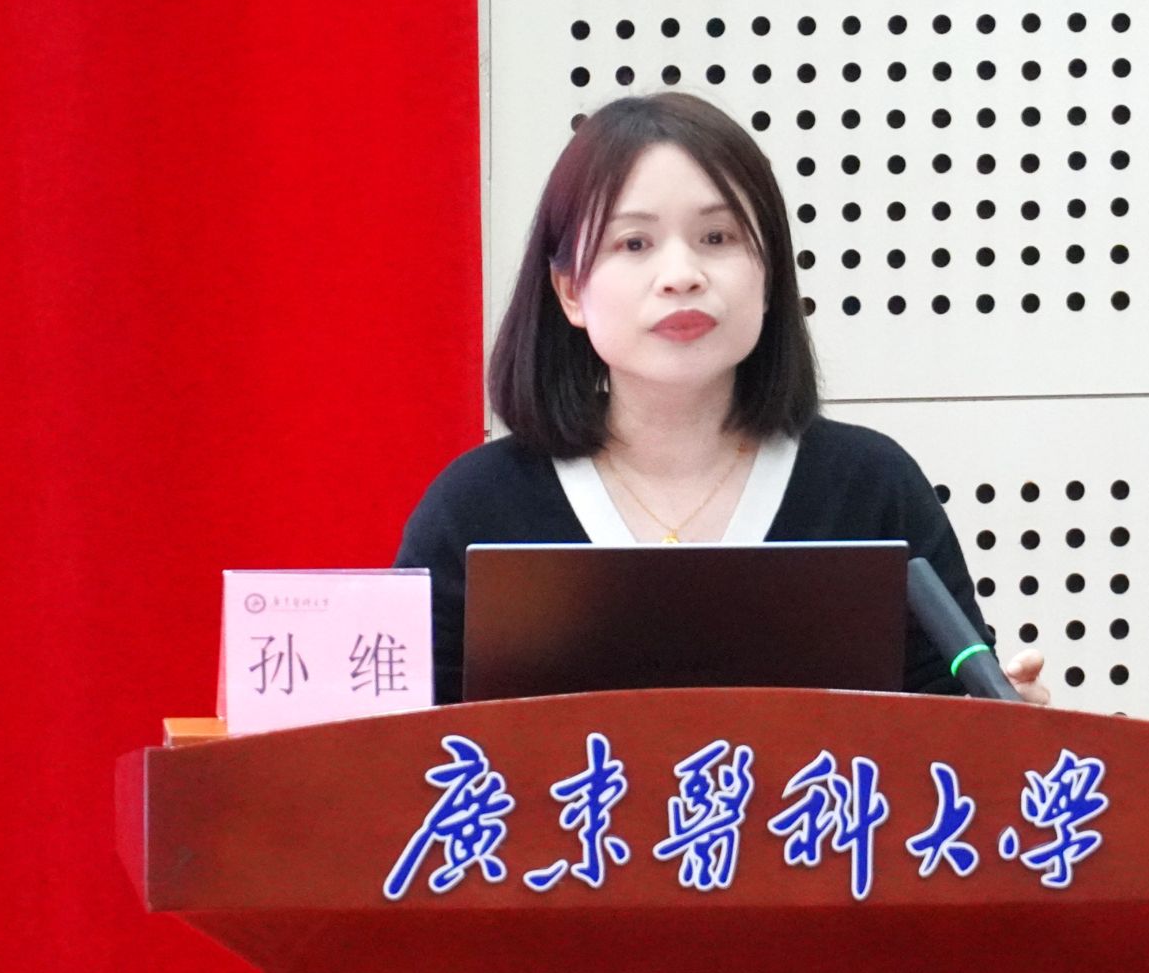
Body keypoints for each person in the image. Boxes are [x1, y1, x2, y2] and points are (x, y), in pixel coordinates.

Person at [395, 91, 1049, 708]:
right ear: (570, 291)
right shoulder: (476, 505)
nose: (682, 275)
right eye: (634, 243)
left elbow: (948, 726)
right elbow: (401, 745)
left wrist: (1000, 720)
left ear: (769, 275)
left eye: (718, 238)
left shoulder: (871, 487)